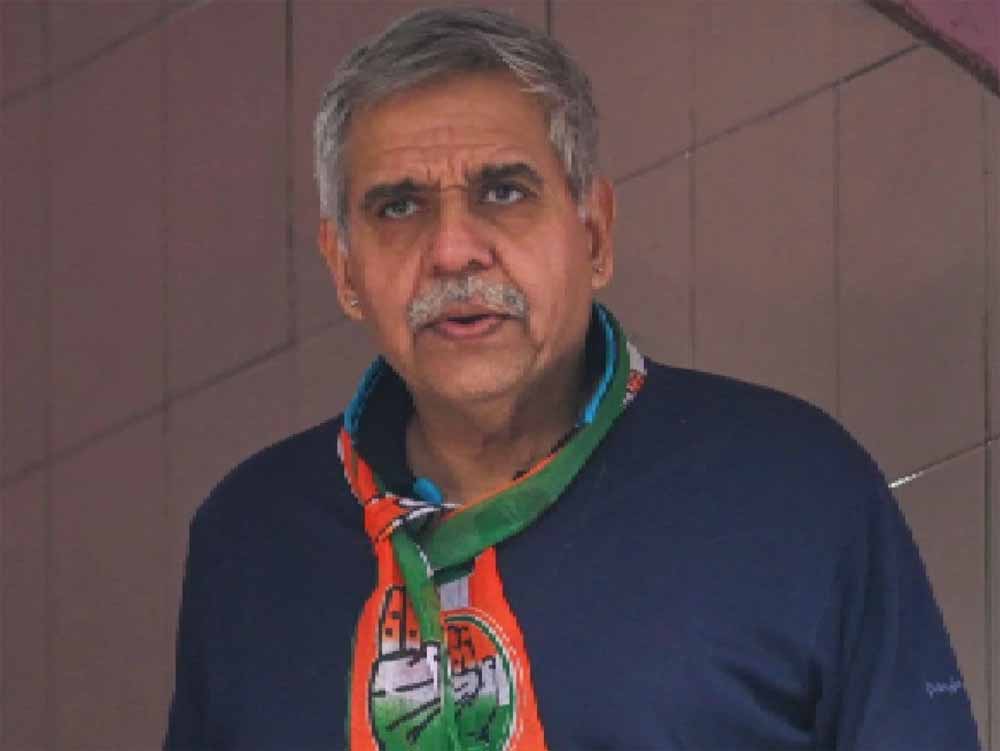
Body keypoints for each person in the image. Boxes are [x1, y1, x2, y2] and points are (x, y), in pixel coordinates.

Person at [164, 7, 980, 750]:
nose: (452, 250)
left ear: (594, 234)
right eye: (399, 207)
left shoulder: (792, 488)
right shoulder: (253, 542)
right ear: (344, 269)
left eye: (504, 191)